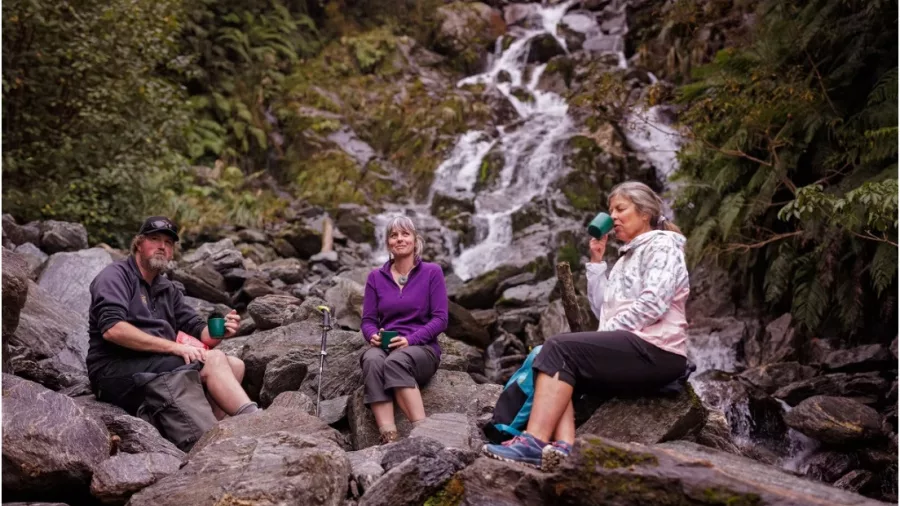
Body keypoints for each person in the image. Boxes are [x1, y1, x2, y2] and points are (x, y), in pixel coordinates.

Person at [482, 181, 690, 470]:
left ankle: (533, 441)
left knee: (559, 347)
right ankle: (565, 447)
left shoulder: (663, 246)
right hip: (634, 347)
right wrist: (597, 260)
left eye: (620, 209)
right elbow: (602, 308)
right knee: (551, 355)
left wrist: (607, 334)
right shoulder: (627, 256)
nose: (613, 217)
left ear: (645, 213)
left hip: (657, 351)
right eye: (610, 211)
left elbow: (654, 303)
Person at [86, 216, 258, 419]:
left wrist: (221, 331)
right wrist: (175, 347)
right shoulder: (116, 276)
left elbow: (202, 334)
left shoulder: (167, 289)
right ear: (139, 244)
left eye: (168, 243)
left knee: (236, 364)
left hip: (154, 363)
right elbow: (113, 330)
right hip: (113, 372)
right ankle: (253, 419)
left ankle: (214, 430)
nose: (162, 246)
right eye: (155, 239)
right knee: (214, 359)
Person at [360, 216, 448, 444]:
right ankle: (388, 435)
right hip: (386, 345)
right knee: (371, 359)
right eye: (393, 235)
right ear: (388, 242)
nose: (399, 239)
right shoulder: (375, 278)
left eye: (405, 234)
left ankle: (423, 434)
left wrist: (411, 339)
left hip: (422, 348)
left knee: (396, 361)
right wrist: (373, 336)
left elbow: (440, 319)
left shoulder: (432, 272)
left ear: (415, 239)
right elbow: (368, 320)